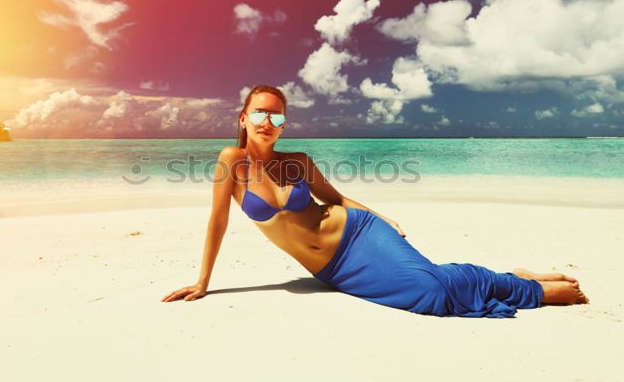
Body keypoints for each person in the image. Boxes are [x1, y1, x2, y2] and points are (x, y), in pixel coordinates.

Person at [161, 85, 589, 317]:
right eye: (260, 113)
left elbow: (337, 198)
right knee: (428, 296)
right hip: (331, 270)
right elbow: (217, 221)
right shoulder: (230, 161)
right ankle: (511, 277)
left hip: (358, 234)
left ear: (284, 124)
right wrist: (203, 282)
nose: (268, 122)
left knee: (431, 289)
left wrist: (380, 215)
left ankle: (524, 286)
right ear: (243, 118)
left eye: (277, 116)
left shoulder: (299, 162)